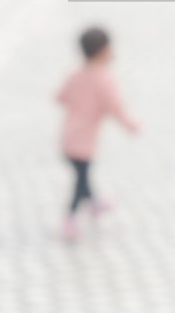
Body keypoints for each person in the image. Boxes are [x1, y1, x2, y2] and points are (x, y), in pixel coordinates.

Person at [54, 26, 141, 243]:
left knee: (83, 173)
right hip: (84, 140)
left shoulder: (75, 74)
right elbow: (114, 107)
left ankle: (93, 202)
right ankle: (71, 217)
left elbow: (61, 96)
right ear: (103, 51)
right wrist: (130, 125)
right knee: (81, 179)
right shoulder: (104, 80)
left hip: (68, 136)